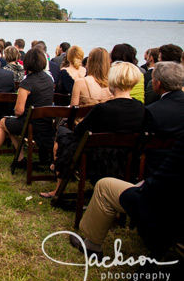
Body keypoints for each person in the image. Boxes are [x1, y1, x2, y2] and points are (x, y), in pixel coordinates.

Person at [69, 135, 184, 266]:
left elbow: (159, 185)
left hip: (166, 213)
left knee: (104, 186)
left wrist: (142, 186)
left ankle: (92, 246)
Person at [40, 62, 145, 198]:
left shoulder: (103, 109)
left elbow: (79, 132)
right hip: (126, 160)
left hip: (96, 159)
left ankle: (58, 187)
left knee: (62, 133)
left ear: (112, 80)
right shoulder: (141, 109)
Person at [0, 47, 54, 168]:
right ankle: (20, 159)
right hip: (46, 124)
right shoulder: (49, 80)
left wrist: (17, 113)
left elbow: (18, 111)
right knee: (10, 125)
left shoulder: (27, 83)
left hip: (29, 124)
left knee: (3, 123)